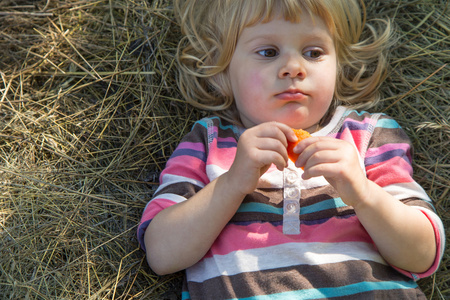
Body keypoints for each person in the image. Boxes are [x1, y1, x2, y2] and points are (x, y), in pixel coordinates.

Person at [138, 0, 445, 299]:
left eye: (313, 52)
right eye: (268, 52)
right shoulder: (209, 142)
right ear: (223, 71)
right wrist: (230, 185)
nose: (293, 68)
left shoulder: (366, 136)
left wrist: (363, 193)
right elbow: (162, 254)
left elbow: (423, 254)